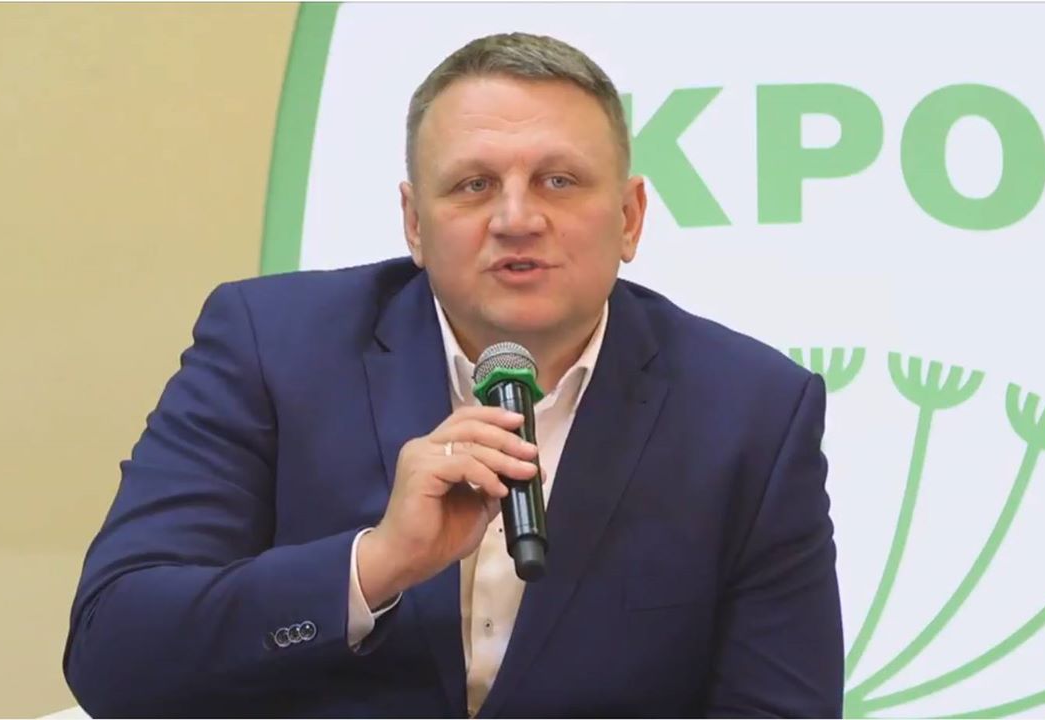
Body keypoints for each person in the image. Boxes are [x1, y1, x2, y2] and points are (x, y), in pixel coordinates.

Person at [63, 32, 844, 718]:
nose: (516, 219)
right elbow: (114, 652)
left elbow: (779, 707)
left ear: (629, 218)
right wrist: (376, 564)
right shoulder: (272, 347)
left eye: (558, 181)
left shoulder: (750, 409)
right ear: (414, 222)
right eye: (474, 185)